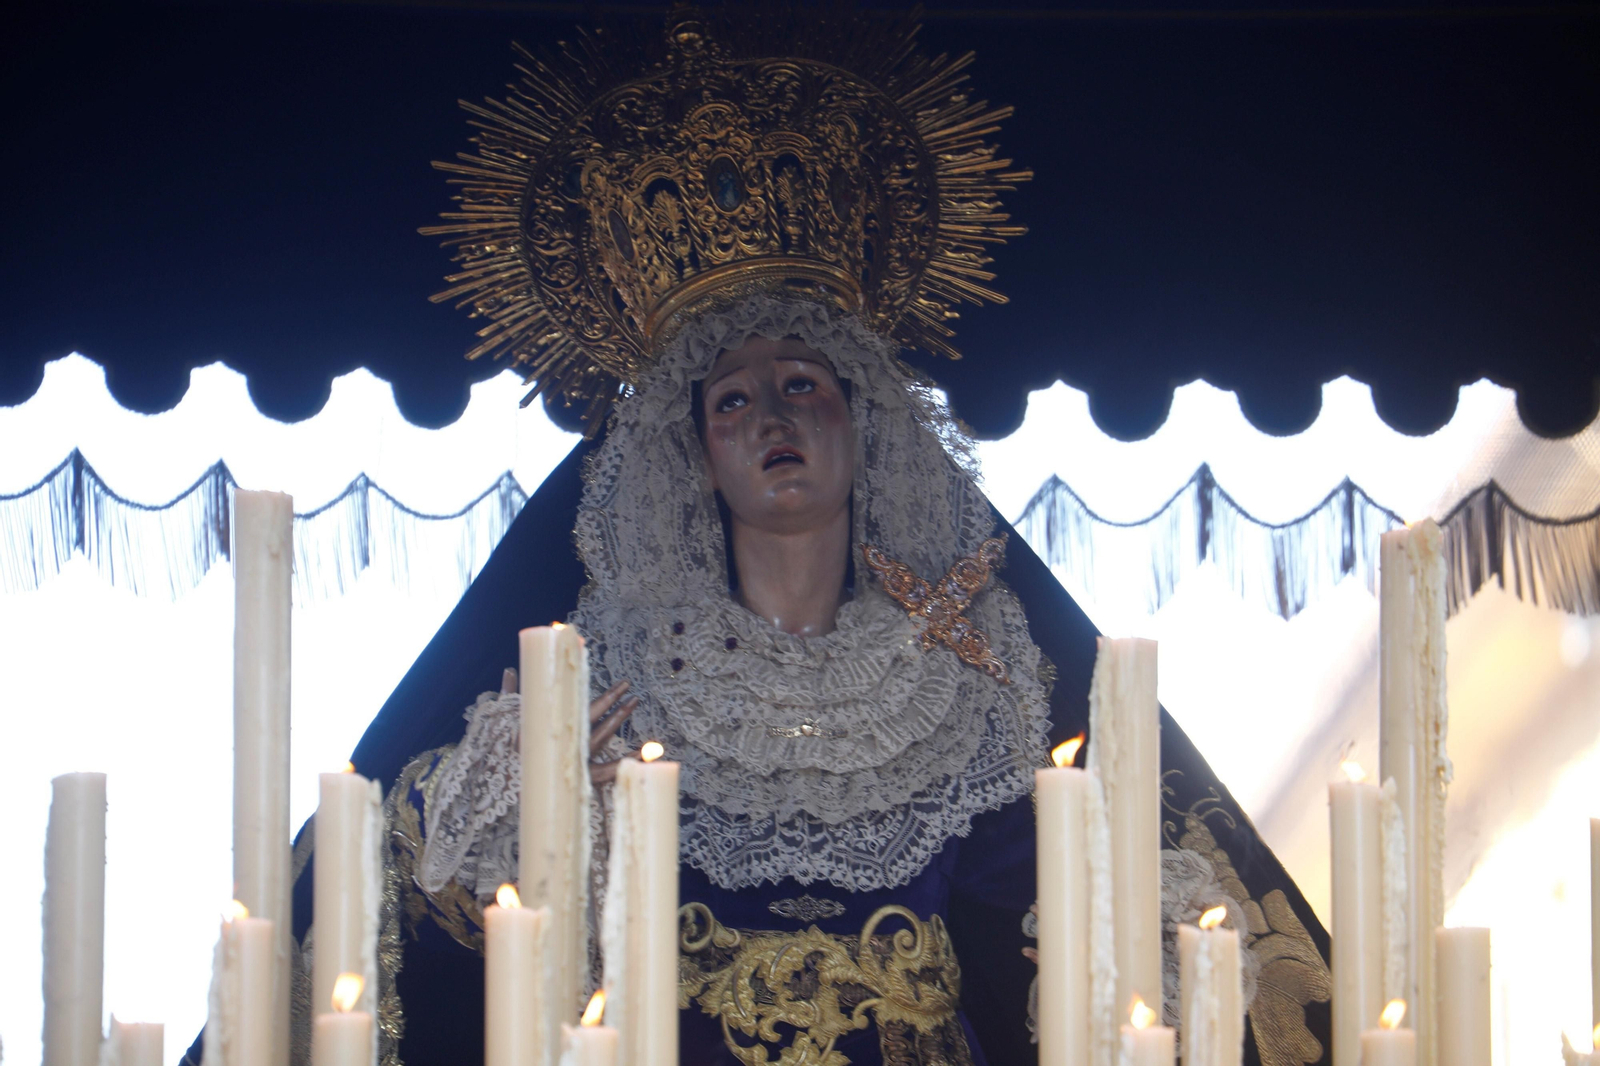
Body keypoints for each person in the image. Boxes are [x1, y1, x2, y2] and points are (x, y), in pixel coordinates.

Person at [192, 8, 1335, 1065]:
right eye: (732, 401)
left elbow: (1067, 936)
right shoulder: (610, 683)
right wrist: (544, 824)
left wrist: (1142, 920)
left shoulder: (971, 685)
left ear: (867, 423)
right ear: (692, 456)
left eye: (802, 384)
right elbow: (409, 916)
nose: (773, 418)